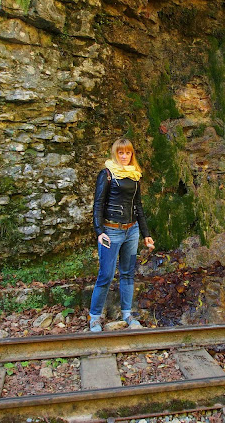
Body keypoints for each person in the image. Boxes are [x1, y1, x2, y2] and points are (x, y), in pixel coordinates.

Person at [89, 138, 155, 332]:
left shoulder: (135, 175)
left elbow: (138, 206)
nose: (124, 156)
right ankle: (94, 317)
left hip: (132, 230)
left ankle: (127, 314)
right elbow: (98, 204)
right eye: (121, 153)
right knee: (106, 275)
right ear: (115, 154)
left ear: (131, 154)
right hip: (111, 230)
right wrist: (99, 231)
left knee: (127, 274)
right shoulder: (107, 174)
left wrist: (146, 234)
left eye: (128, 153)